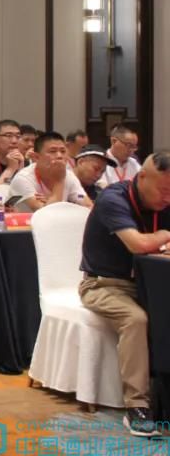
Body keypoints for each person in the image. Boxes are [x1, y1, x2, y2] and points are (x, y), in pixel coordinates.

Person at [78, 151, 170, 437]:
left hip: (152, 284)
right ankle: (138, 407)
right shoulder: (113, 199)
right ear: (142, 177)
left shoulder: (166, 201)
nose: (167, 198)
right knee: (135, 319)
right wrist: (165, 235)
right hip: (104, 285)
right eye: (164, 190)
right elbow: (137, 244)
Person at [9, 131, 92, 211]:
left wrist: (53, 200)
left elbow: (87, 205)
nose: (59, 156)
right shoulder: (23, 178)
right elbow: (47, 214)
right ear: (36, 157)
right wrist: (59, 181)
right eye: (53, 151)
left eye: (63, 151)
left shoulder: (68, 175)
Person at [0, 119, 27, 185]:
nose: (14, 141)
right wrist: (10, 169)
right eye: (8, 136)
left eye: (18, 136)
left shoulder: (24, 161)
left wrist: (21, 169)